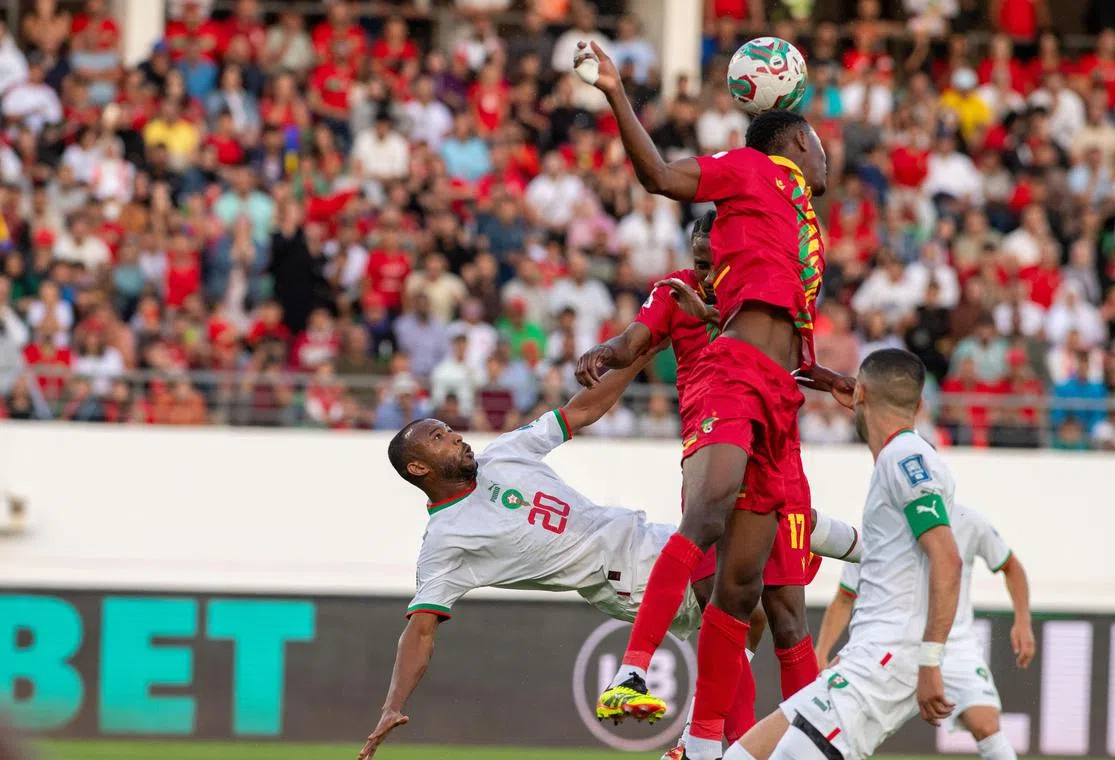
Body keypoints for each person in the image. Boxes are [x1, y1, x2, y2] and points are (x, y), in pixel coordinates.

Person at [357, 352, 861, 760]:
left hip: (645, 533)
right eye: (440, 438)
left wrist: (641, 349)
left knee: (772, 528)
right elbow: (420, 629)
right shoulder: (447, 540)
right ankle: (710, 741)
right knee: (741, 598)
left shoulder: (503, 454)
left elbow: (581, 409)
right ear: (420, 467)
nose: (457, 437)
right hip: (622, 575)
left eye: (450, 429)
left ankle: (696, 738)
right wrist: (391, 705)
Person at [574, 42, 849, 760]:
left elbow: (785, 318)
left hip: (781, 400)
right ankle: (633, 670)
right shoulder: (750, 169)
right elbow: (662, 175)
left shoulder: (803, 224)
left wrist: (836, 382)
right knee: (708, 514)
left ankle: (708, 748)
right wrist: (615, 93)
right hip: (734, 376)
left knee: (748, 589)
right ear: (793, 139)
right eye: (817, 142)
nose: (827, 157)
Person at [720, 348, 963, 760]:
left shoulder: (905, 459)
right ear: (920, 405)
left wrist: (930, 659)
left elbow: (947, 557)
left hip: (886, 660)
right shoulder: (903, 456)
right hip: (866, 656)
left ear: (861, 394)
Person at [815, 502, 1035, 759]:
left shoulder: (968, 521)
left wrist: (1023, 621)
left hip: (954, 645)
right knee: (846, 722)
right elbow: (845, 596)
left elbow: (1012, 567)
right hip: (893, 644)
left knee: (986, 724)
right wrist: (821, 650)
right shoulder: (878, 525)